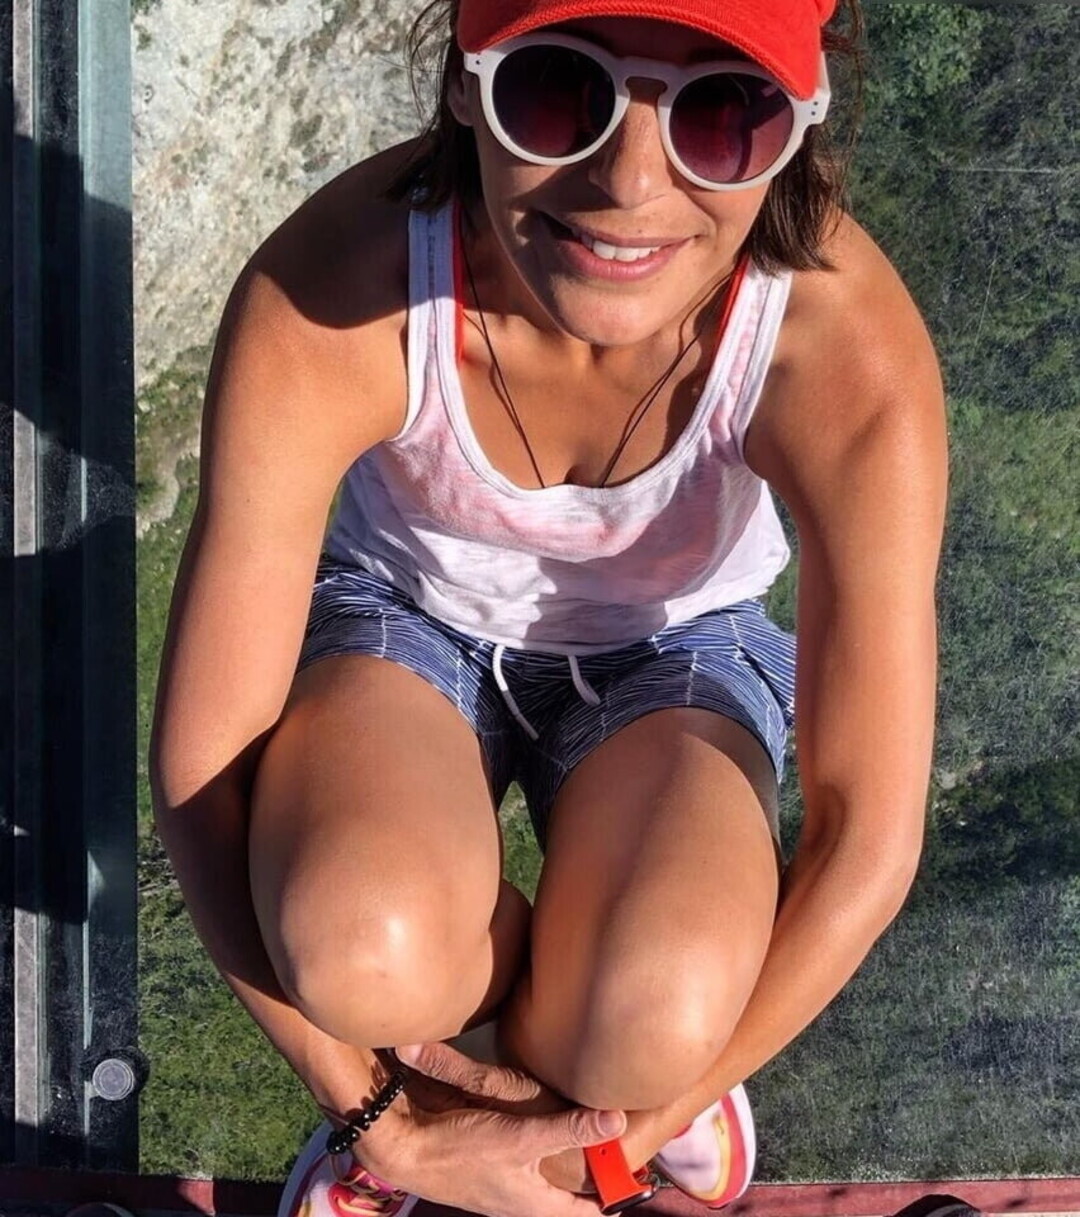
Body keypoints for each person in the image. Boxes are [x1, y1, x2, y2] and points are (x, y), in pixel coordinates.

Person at [150, 0, 947, 1213]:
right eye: (559, 91)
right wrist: (380, 1121)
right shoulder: (338, 291)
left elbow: (868, 838)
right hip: (405, 610)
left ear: (800, 131)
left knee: (655, 1005)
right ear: (465, 82)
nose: (631, 182)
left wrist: (612, 1141)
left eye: (723, 114)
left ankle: (598, 1075)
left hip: (678, 645)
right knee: (361, 941)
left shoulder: (838, 348)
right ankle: (457, 1099)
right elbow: (202, 766)